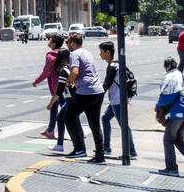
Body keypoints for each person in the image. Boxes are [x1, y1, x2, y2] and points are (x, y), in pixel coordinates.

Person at [63, 31, 105, 163]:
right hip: (97, 91)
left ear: (73, 43)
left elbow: (75, 71)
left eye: (68, 42)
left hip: (85, 92)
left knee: (69, 117)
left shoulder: (74, 54)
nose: (67, 44)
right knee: (94, 124)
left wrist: (69, 82)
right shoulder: (87, 52)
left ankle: (79, 149)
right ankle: (100, 155)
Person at [98, 41, 136, 159]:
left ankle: (131, 151)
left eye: (101, 51)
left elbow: (106, 84)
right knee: (105, 118)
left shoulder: (112, 66)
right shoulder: (119, 63)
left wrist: (97, 96)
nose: (100, 54)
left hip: (117, 100)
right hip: (119, 99)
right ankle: (107, 147)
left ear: (108, 52)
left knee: (123, 125)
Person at [154, 57, 184, 176]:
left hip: (176, 113)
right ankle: (171, 167)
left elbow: (166, 97)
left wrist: (158, 105)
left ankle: (172, 168)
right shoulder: (179, 74)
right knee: (177, 139)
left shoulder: (170, 77)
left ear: (166, 67)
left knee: (168, 140)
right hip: (182, 111)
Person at [33, 34, 65, 139]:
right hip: (66, 84)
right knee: (55, 106)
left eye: (50, 40)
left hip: (56, 86)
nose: (48, 41)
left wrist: (36, 81)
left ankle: (78, 130)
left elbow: (46, 72)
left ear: (54, 43)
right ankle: (50, 129)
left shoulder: (50, 55)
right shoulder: (64, 52)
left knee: (67, 108)